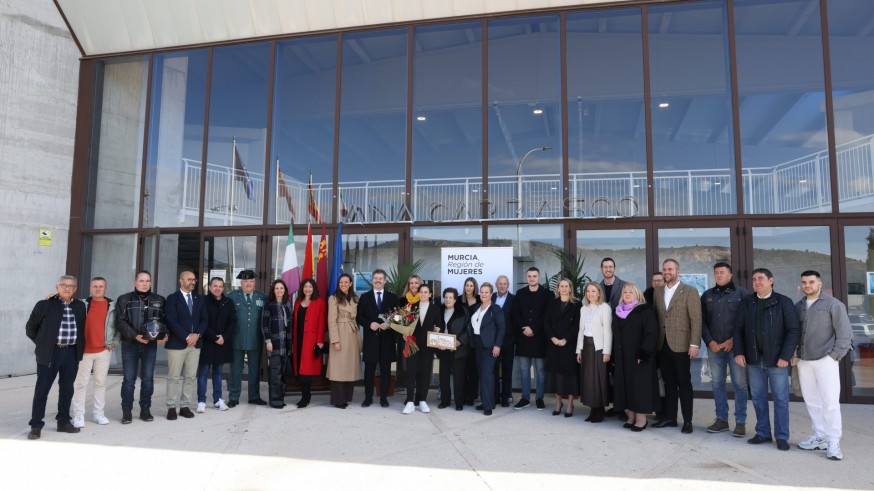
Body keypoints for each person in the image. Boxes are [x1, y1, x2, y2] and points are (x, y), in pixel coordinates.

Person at [733, 268, 800, 451]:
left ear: (771, 280)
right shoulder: (747, 302)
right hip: (754, 359)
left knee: (780, 399)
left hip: (777, 360)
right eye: (754, 279)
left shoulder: (783, 302)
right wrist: (738, 352)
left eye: (761, 278)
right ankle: (762, 433)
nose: (757, 282)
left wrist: (785, 356)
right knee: (758, 398)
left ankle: (782, 437)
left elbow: (793, 331)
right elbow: (738, 329)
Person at [795, 270, 853, 460]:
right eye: (804, 282)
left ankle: (833, 441)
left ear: (819, 284)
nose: (807, 285)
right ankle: (820, 436)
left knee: (830, 402)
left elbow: (845, 333)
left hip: (825, 360)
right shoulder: (798, 306)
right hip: (804, 360)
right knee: (812, 401)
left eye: (811, 282)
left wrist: (834, 357)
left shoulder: (833, 304)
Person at [25, 275, 87, 440]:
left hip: (71, 353)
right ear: (57, 287)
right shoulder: (44, 304)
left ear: (75, 289)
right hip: (50, 353)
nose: (67, 288)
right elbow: (30, 328)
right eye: (63, 285)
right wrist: (43, 345)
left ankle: (63, 422)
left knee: (67, 389)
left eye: (71, 285)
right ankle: (36, 425)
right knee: (42, 390)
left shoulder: (80, 306)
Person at [653, 259, 701, 434]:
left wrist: (694, 343)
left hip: (682, 345)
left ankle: (688, 421)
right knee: (669, 383)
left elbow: (696, 319)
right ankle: (670, 418)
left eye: (670, 269)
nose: (667, 272)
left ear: (678, 271)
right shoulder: (658, 292)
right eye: (664, 269)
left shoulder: (690, 291)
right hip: (662, 344)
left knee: (684, 383)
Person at [700, 262, 749, 437]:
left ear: (730, 275)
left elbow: (747, 320)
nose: (718, 275)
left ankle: (740, 422)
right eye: (716, 273)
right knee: (717, 383)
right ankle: (721, 420)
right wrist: (709, 341)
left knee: (740, 384)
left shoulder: (742, 294)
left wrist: (734, 340)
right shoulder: (707, 295)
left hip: (735, 348)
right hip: (715, 348)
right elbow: (701, 321)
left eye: (722, 272)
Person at [116, 270, 166, 424]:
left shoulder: (159, 300)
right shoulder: (124, 299)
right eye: (142, 281)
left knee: (148, 379)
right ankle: (127, 411)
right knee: (129, 380)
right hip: (130, 344)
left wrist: (165, 335)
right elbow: (120, 321)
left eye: (148, 281)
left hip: (150, 345)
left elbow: (165, 320)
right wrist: (135, 336)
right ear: (135, 282)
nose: (145, 284)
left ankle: (145, 409)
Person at [71, 277, 118, 428]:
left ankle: (98, 414)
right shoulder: (81, 304)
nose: (98, 289)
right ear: (90, 288)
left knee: (100, 383)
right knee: (80, 384)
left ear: (105, 288)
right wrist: (50, 297)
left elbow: (119, 325)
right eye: (95, 286)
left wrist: (116, 341)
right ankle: (78, 415)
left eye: (101, 286)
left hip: (104, 350)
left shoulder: (113, 306)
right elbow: (62, 305)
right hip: (84, 351)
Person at [612, 282, 659, 432]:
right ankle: (630, 416)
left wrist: (644, 353)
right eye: (625, 292)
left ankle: (641, 419)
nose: (627, 295)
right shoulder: (618, 311)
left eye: (631, 292)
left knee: (639, 388)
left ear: (637, 294)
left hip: (639, 357)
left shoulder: (644, 311)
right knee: (626, 385)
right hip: (622, 357)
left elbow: (651, 333)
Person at [164, 270, 208, 420]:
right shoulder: (172, 298)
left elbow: (204, 320)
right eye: (189, 279)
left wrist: (197, 335)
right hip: (177, 344)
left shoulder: (199, 299)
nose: (192, 282)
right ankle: (171, 407)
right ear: (181, 281)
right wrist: (187, 336)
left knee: (190, 376)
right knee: (174, 377)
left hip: (195, 344)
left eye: (194, 279)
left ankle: (184, 406)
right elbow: (171, 321)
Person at [357, 269, 399, 407]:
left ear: (385, 281)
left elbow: (398, 317)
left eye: (381, 278)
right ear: (372, 280)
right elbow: (359, 317)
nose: (378, 280)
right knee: (369, 371)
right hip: (371, 340)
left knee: (386, 371)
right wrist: (369, 324)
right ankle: (368, 398)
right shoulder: (365, 297)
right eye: (376, 278)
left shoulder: (393, 298)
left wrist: (389, 324)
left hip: (387, 340)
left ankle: (383, 398)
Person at [227, 269, 268, 407]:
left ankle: (254, 396)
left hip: (255, 339)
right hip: (236, 339)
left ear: (254, 282)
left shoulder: (262, 298)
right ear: (241, 283)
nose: (248, 283)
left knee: (254, 370)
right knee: (235, 370)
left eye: (251, 281)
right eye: (245, 281)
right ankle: (233, 397)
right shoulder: (232, 297)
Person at [512, 267, 551, 410]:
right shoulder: (520, 293)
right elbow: (515, 313)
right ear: (526, 277)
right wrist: (524, 328)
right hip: (523, 337)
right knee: (524, 369)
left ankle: (539, 398)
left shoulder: (547, 294)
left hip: (539, 337)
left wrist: (533, 328)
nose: (532, 278)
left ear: (539, 277)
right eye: (529, 276)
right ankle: (525, 398)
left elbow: (547, 315)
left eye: (534, 276)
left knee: (540, 370)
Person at [544, 278, 581, 418]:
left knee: (570, 375)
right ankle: (558, 402)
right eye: (562, 286)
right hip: (554, 344)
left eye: (567, 286)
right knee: (556, 375)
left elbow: (577, 325)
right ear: (558, 288)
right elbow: (546, 323)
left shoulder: (576, 304)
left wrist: (566, 339)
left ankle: (570, 404)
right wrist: (553, 338)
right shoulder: (552, 303)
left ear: (570, 288)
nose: (564, 288)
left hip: (569, 344)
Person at [576, 282, 612, 423]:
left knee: (599, 379)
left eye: (593, 291)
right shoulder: (584, 308)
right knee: (588, 380)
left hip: (599, 348)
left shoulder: (605, 308)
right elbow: (581, 330)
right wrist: (579, 350)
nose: (590, 294)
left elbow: (608, 331)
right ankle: (593, 409)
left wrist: (607, 352)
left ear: (599, 293)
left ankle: (600, 410)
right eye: (588, 291)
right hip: (586, 347)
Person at [198, 276, 235, 412]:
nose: (218, 288)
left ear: (223, 288)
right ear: (209, 287)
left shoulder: (228, 302)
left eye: (220, 286)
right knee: (203, 373)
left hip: (222, 343)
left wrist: (224, 337)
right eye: (215, 286)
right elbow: (202, 321)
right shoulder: (203, 301)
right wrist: (214, 337)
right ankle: (201, 401)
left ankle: (217, 400)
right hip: (207, 342)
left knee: (218, 373)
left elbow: (232, 322)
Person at [402, 284, 441, 414]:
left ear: (430, 294)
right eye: (421, 292)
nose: (423, 294)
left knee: (425, 372)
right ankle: (410, 401)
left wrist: (437, 329)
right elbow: (404, 325)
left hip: (427, 345)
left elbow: (439, 325)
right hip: (412, 343)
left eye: (425, 292)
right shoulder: (411, 307)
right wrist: (404, 333)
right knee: (411, 372)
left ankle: (423, 400)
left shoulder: (435, 309)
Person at [469, 282, 505, 416]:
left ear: (491, 294)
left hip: (490, 346)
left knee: (486, 375)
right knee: (482, 374)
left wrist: (497, 345)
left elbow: (502, 328)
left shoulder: (495, 309)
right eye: (482, 292)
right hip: (478, 344)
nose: (483, 294)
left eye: (486, 292)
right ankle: (487, 402)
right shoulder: (477, 307)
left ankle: (488, 406)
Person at [327, 273, 361, 408]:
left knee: (349, 367)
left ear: (351, 284)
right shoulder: (333, 298)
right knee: (339, 368)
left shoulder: (354, 298)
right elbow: (331, 321)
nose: (343, 284)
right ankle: (338, 400)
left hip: (352, 334)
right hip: (340, 334)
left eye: (346, 282)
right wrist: (335, 340)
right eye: (341, 282)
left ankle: (346, 397)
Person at [292, 278, 327, 408]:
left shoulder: (320, 302)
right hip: (298, 339)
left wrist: (319, 341)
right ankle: (305, 395)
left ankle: (305, 397)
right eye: (305, 286)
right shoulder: (298, 302)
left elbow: (322, 322)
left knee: (306, 371)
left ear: (314, 289)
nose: (307, 289)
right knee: (299, 369)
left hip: (311, 341)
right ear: (302, 288)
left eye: (310, 287)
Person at [437, 287, 470, 411]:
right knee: (443, 376)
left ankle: (459, 402)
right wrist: (436, 336)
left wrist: (460, 341)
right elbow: (434, 326)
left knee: (459, 377)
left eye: (450, 297)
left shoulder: (463, 311)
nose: (448, 300)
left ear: (455, 299)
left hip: (458, 350)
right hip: (443, 349)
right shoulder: (439, 310)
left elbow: (468, 329)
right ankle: (445, 401)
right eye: (446, 297)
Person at [262, 279, 293, 408]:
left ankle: (281, 398)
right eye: (277, 288)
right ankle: (275, 401)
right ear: (273, 291)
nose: (279, 290)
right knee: (275, 373)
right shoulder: (269, 304)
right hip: (274, 344)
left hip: (286, 344)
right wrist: (268, 341)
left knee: (283, 374)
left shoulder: (288, 304)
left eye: (281, 288)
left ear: (285, 290)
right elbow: (264, 325)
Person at [492, 275, 515, 407]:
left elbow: (516, 319)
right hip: (493, 340)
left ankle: (506, 397)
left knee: (507, 370)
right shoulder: (491, 297)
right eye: (500, 283)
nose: (502, 286)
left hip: (508, 340)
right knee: (493, 370)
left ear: (508, 285)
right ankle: (495, 397)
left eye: (504, 283)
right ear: (496, 284)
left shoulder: (514, 299)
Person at [459, 276, 481, 406]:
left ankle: (471, 396)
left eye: (471, 286)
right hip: (462, 339)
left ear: (475, 287)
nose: (468, 288)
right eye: (467, 285)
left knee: (473, 370)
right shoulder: (458, 300)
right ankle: (461, 396)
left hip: (475, 340)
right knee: (462, 370)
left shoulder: (480, 300)